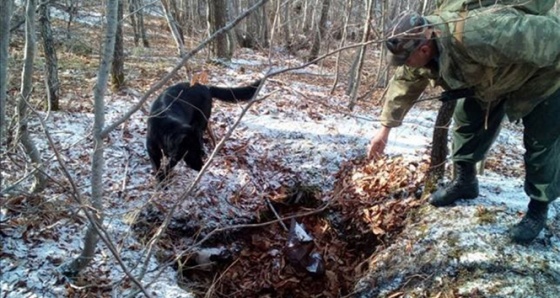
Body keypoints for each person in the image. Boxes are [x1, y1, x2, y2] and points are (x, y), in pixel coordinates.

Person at [368, 8, 560, 244]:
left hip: (544, 76)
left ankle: (538, 209)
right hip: (492, 81)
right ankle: (465, 182)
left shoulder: (479, 33)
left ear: (424, 48)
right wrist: (385, 128)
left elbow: (550, 36)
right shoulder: (421, 47)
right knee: (467, 123)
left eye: (406, 59)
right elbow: (405, 81)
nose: (405, 64)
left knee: (541, 143)